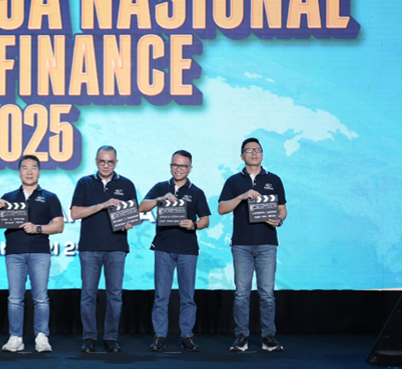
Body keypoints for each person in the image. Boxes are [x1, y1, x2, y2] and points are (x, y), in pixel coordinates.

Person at [0, 155, 64, 353]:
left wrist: (37, 228)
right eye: (25, 168)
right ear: (19, 172)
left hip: (40, 253)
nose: (29, 172)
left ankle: (42, 337)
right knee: (14, 298)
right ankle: (15, 338)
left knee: (41, 298)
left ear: (39, 171)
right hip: (14, 253)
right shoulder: (8, 197)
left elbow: (59, 226)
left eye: (33, 168)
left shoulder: (50, 197)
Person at [218, 138, 287, 352]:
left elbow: (282, 209)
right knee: (241, 293)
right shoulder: (233, 181)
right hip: (242, 245)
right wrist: (242, 196)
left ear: (262, 154)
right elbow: (222, 209)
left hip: (267, 243)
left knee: (267, 293)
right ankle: (241, 336)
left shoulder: (274, 179)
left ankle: (268, 337)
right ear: (242, 156)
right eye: (249, 150)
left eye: (258, 150)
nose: (254, 153)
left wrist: (279, 220)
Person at [139, 150, 210, 353]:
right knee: (161, 296)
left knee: (188, 297)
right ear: (170, 166)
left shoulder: (196, 192)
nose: (178, 169)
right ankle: (159, 336)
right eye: (175, 165)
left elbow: (205, 220)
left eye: (183, 166)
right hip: (163, 248)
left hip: (188, 250)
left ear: (190, 168)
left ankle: (187, 336)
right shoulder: (160, 187)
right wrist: (160, 199)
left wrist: (194, 225)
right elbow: (142, 207)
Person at [71, 145, 138, 353]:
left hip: (117, 247)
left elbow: (133, 215)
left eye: (110, 162)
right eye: (102, 161)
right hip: (89, 248)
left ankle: (111, 338)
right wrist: (102, 205)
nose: (106, 165)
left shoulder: (126, 184)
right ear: (96, 162)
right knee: (88, 295)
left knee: (115, 295)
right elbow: (75, 213)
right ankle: (89, 337)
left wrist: (129, 222)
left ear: (116, 162)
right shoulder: (84, 183)